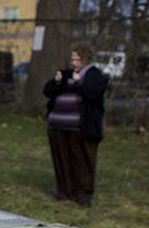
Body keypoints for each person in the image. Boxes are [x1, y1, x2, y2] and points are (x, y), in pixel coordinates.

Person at [43, 44, 109, 207]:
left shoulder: (95, 75)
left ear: (86, 59)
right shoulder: (67, 74)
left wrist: (80, 82)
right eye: (72, 59)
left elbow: (93, 94)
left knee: (82, 162)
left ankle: (83, 195)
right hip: (58, 125)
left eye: (77, 59)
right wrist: (57, 82)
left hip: (81, 127)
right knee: (62, 160)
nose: (73, 62)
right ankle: (64, 191)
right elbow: (48, 92)